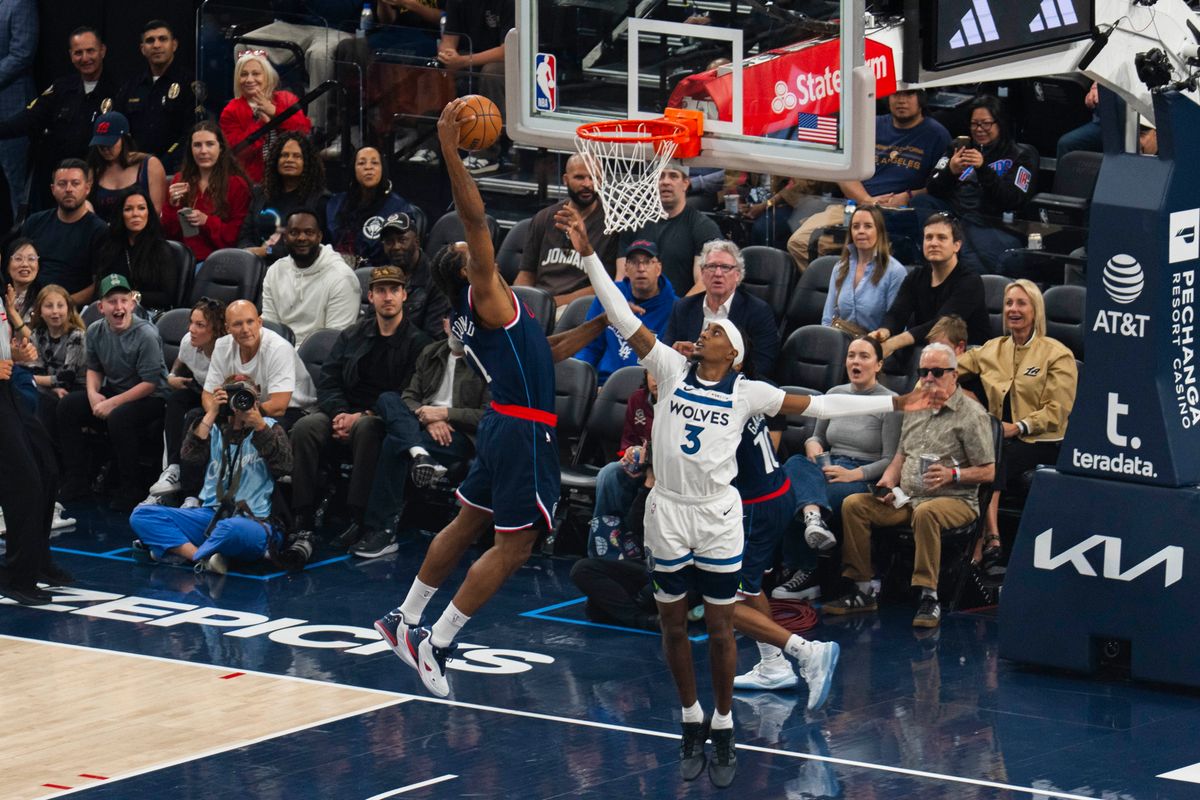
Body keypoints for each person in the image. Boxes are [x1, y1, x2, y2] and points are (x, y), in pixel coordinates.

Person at [558, 200, 936, 788]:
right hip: (667, 510)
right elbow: (620, 313)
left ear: (731, 351)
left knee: (722, 621)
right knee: (673, 623)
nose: (701, 332)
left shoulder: (749, 392)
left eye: (713, 331)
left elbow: (823, 403)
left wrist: (896, 401)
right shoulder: (670, 368)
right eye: (703, 328)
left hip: (717, 513)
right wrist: (588, 257)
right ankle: (691, 720)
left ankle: (725, 724)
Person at [371, 98, 615, 700]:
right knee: (516, 545)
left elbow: (544, 352)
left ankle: (404, 617)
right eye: (468, 255)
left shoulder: (497, 314)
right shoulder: (486, 293)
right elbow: (475, 220)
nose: (476, 250)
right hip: (524, 431)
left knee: (466, 522)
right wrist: (450, 150)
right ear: (465, 272)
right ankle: (438, 641)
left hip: (504, 424)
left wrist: (600, 324)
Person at [830, 343, 994, 628]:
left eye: (937, 372)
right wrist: (888, 482)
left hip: (956, 501)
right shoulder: (915, 406)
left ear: (954, 375)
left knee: (926, 512)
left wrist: (953, 474)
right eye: (923, 372)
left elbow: (989, 471)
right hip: (908, 498)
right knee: (854, 505)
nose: (929, 378)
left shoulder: (971, 414)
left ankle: (929, 596)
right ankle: (863, 589)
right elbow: (901, 454)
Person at [288, 265, 432, 548]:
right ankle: (302, 512)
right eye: (381, 291)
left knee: (367, 428)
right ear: (370, 297)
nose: (387, 297)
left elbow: (409, 394)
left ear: (404, 295)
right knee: (306, 427)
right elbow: (329, 380)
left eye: (394, 290)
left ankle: (358, 516)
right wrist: (340, 413)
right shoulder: (352, 335)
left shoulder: (419, 343)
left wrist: (364, 415)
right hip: (342, 411)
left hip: (382, 417)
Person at [346, 315, 493, 558]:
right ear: (445, 325)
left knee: (394, 443)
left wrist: (445, 414)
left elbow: (489, 415)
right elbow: (409, 397)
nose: (457, 329)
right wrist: (429, 418)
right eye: (453, 322)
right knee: (387, 399)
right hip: (421, 424)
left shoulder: (486, 360)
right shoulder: (431, 352)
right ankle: (420, 453)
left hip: (458, 434)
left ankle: (383, 530)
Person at [956, 280, 1076, 570]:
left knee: (992, 456)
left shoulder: (1056, 354)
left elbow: (1057, 411)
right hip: (1000, 438)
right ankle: (987, 537)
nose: (1013, 309)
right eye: (1009, 303)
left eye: (1021, 303)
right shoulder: (991, 349)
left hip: (1042, 442)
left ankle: (984, 541)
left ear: (1036, 310)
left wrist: (1019, 426)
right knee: (984, 450)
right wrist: (964, 396)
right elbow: (942, 371)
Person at [772, 336, 901, 601]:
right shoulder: (833, 394)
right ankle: (812, 522)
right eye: (851, 355)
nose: (855, 361)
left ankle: (806, 572)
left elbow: (890, 459)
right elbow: (817, 437)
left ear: (878, 365)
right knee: (794, 464)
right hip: (829, 465)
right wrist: (812, 445)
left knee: (795, 493)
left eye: (864, 356)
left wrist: (853, 474)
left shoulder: (891, 402)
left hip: (861, 474)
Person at [129, 373, 292, 574]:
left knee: (230, 529)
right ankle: (203, 557)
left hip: (254, 520)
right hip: (211, 516)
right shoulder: (213, 428)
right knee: (142, 514)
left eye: (245, 396)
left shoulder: (269, 427)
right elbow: (189, 459)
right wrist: (212, 411)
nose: (239, 403)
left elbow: (284, 467)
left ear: (256, 400)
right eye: (233, 397)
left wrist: (259, 426)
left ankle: (178, 550)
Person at [786, 90, 951, 272]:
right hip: (856, 205)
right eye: (896, 95)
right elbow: (845, 170)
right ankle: (835, 286)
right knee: (799, 242)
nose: (901, 101)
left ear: (921, 99)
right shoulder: (870, 125)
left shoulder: (937, 134)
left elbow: (940, 185)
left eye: (909, 95)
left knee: (876, 257)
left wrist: (907, 196)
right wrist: (866, 199)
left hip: (900, 214)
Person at [58, 274, 168, 511]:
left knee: (120, 417)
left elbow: (150, 383)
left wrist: (112, 403)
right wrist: (92, 394)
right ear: (101, 307)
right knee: (68, 406)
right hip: (117, 389)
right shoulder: (95, 330)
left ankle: (131, 488)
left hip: (151, 397)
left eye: (123, 301)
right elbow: (94, 368)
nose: (118, 307)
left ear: (132, 304)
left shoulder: (146, 334)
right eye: (112, 302)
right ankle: (77, 479)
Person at [0, 296, 73, 605]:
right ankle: (18, 577)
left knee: (47, 469)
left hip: (7, 387)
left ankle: (37, 559)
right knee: (24, 482)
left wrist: (14, 353)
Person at [914, 95, 1037, 274]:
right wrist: (950, 171)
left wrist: (983, 169)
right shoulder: (958, 148)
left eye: (985, 124)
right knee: (922, 202)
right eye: (974, 124)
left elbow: (1013, 199)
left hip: (990, 220)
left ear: (1000, 123)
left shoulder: (1019, 155)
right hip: (955, 215)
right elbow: (932, 186)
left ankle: (958, 268)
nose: (979, 129)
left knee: (969, 243)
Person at [0, 26, 117, 213]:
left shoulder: (119, 89)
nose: (85, 58)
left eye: (90, 51)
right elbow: (30, 119)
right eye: (78, 53)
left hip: (99, 182)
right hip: (60, 183)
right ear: (71, 55)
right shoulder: (61, 87)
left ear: (102, 51)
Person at [869, 213, 991, 357]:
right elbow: (897, 314)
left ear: (956, 245)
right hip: (925, 351)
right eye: (928, 237)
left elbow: (941, 325)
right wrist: (883, 332)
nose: (933, 243)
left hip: (967, 356)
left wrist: (894, 343)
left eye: (941, 238)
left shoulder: (970, 281)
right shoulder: (916, 276)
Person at [236, 2, 360, 137]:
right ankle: (250, 117)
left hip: (339, 28)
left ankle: (315, 129)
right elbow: (282, 11)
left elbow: (344, 10)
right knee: (244, 44)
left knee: (319, 55)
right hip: (296, 26)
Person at [146, 297, 226, 504]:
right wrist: (172, 376)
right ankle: (172, 468)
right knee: (175, 400)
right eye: (191, 322)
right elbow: (180, 361)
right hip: (200, 388)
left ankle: (191, 494)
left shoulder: (227, 351)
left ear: (216, 330)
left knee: (193, 417)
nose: (191, 329)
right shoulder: (188, 341)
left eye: (200, 325)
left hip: (221, 398)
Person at [661, 239, 779, 379]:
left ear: (737, 275)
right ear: (702, 273)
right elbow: (665, 355)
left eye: (725, 267)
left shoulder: (758, 312)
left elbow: (762, 366)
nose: (718, 273)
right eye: (711, 266)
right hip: (686, 381)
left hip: (734, 385)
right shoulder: (683, 307)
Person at [516, 154, 618, 307]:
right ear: (565, 179)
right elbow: (526, 274)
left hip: (578, 308)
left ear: (602, 180)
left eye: (593, 178)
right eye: (579, 177)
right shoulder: (544, 218)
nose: (587, 184)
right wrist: (521, 305)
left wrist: (552, 304)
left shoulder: (612, 225)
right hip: (539, 304)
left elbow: (606, 286)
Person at [202, 300, 318, 431]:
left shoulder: (279, 348)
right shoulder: (222, 346)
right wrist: (217, 414)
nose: (245, 329)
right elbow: (207, 395)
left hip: (293, 410)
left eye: (250, 322)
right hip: (242, 407)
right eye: (238, 324)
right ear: (227, 328)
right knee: (197, 418)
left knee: (258, 429)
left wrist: (240, 417)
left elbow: (278, 406)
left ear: (259, 322)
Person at [574, 240, 677, 386]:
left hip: (646, 387)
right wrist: (580, 380)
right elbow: (589, 346)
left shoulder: (675, 308)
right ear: (626, 269)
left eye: (647, 262)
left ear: (658, 268)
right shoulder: (609, 295)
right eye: (634, 262)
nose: (641, 268)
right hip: (603, 384)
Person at [617, 161, 722, 296]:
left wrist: (677, 308)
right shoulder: (633, 223)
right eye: (660, 176)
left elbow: (703, 283)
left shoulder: (703, 227)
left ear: (686, 183)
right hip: (635, 306)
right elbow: (621, 277)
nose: (665, 182)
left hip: (681, 305)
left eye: (673, 176)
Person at [434, 0, 515, 174]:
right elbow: (448, 40)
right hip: (470, 57)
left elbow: (507, 50)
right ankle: (431, 144)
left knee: (491, 72)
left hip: (510, 61)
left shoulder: (510, 3)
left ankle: (488, 152)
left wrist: (464, 61)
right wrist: (447, 55)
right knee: (436, 67)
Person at [261, 208, 362, 346]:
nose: (301, 238)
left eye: (309, 232)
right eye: (294, 232)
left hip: (318, 356)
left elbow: (333, 341)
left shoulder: (342, 278)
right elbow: (269, 327)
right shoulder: (275, 271)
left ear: (319, 237)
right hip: (278, 352)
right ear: (284, 238)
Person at [20, 159, 109, 307]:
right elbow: (17, 265)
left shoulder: (99, 230)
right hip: (29, 303)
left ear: (87, 188)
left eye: (75, 183)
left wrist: (59, 305)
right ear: (53, 189)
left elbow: (99, 285)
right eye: (62, 184)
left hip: (73, 309)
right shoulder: (35, 222)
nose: (68, 189)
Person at [161, 122, 253, 263]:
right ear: (190, 149)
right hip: (181, 258)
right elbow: (169, 233)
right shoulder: (179, 180)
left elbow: (237, 235)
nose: (203, 151)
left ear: (220, 148)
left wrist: (206, 221)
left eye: (210, 144)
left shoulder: (236, 184)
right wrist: (172, 206)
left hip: (218, 261)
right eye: (197, 145)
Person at [115, 20, 197, 172]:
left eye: (163, 39)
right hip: (134, 169)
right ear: (142, 49)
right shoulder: (131, 87)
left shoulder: (189, 84)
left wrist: (159, 162)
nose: (156, 45)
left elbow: (191, 132)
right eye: (150, 41)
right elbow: (120, 130)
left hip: (175, 170)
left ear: (174, 45)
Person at [220, 51, 313, 185]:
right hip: (252, 182)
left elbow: (303, 131)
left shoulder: (286, 99)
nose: (249, 80)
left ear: (268, 76)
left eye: (256, 74)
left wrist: (274, 112)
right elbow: (238, 152)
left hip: (291, 177)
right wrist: (262, 124)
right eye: (244, 74)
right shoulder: (231, 110)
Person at [238, 131, 329, 265]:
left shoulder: (319, 200)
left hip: (297, 268)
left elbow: (312, 245)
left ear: (307, 162)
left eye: (297, 156)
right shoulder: (260, 194)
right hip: (255, 265)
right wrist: (248, 251)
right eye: (284, 155)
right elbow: (245, 235)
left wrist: (267, 251)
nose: (289, 160)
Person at [820, 204, 907, 335]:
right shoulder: (840, 267)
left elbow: (896, 327)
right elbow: (827, 319)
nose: (860, 231)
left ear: (879, 231)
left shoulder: (895, 272)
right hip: (839, 341)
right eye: (855, 226)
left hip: (876, 344)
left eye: (868, 226)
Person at [325, 146, 418, 266]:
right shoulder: (335, 203)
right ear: (353, 169)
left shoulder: (398, 208)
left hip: (376, 272)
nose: (368, 167)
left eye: (374, 163)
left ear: (383, 169)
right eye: (361, 163)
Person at [96, 188, 180, 314]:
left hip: (150, 313)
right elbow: (101, 285)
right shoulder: (110, 248)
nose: (135, 214)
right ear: (121, 214)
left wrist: (134, 296)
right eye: (128, 209)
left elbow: (168, 296)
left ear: (149, 213)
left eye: (141, 208)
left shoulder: (161, 249)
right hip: (113, 310)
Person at [24, 283, 87, 442]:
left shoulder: (77, 335)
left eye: (60, 305)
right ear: (40, 311)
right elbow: (36, 369)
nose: (55, 311)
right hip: (49, 387)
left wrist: (30, 378)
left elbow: (66, 378)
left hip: (77, 388)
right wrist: (50, 386)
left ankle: (49, 449)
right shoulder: (37, 334)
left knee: (42, 400)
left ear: (69, 309)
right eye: (49, 306)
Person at [379, 213, 450, 340]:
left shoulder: (437, 280)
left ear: (417, 242)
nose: (396, 247)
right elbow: (369, 325)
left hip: (417, 350)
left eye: (402, 240)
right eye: (389, 242)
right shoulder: (382, 277)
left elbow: (433, 339)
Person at [86, 111, 168, 219]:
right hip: (104, 228)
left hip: (142, 227)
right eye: (100, 145)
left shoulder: (149, 165)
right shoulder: (93, 170)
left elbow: (157, 212)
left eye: (110, 144)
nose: (105, 149)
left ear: (125, 139)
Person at [0, 0, 36, 218]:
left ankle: (23, 235)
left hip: (11, 106)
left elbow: (22, 53)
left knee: (18, 183)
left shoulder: (20, 3)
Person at [4, 238, 43, 318]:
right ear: (8, 266)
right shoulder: (2, 298)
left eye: (31, 259)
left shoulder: (44, 299)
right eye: (18, 258)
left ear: (38, 266)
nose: (25, 264)